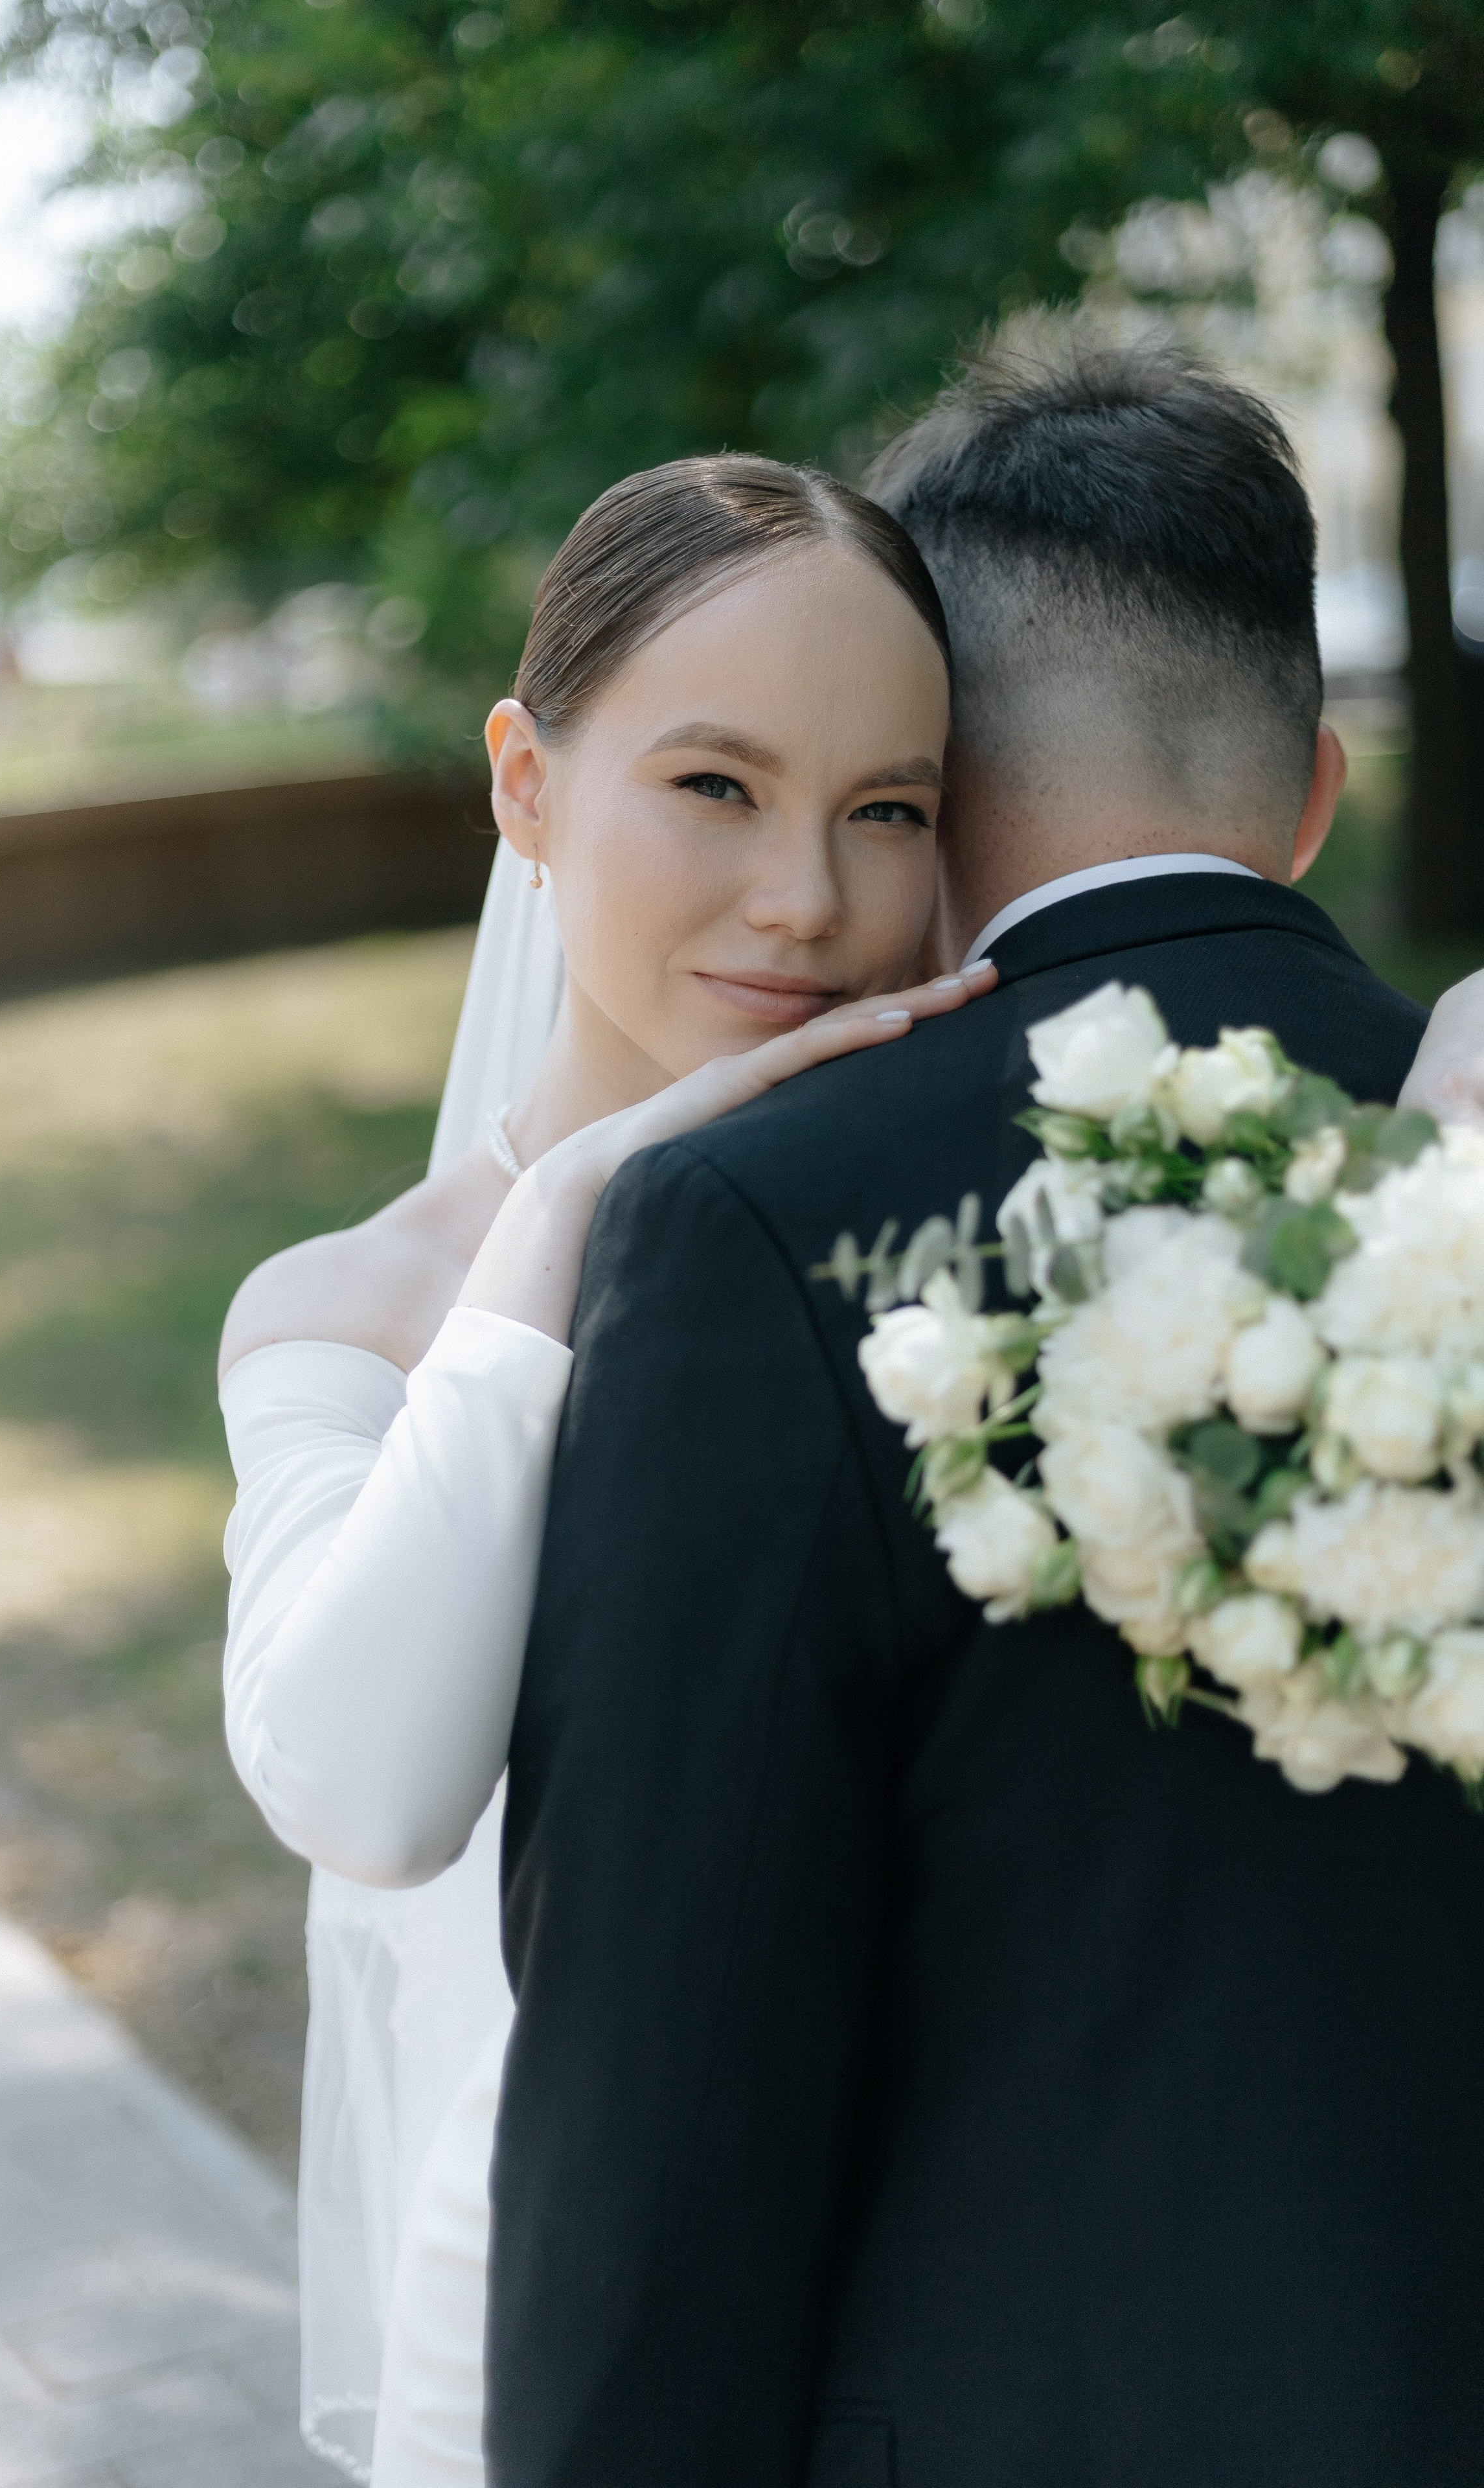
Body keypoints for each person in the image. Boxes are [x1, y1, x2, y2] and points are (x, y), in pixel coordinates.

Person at [484, 328, 1484, 2488]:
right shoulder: (1464, 1145)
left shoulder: (761, 1221)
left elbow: (664, 2111)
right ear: (1318, 789)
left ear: (937, 775)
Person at [218, 454, 994, 2480]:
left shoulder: (949, 1256)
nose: (810, 898)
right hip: (536, 2344)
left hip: (937, 2320)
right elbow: (365, 1789)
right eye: (718, 788)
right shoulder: (353, 1309)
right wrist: (568, 1211)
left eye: (887, 809)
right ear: (528, 784)